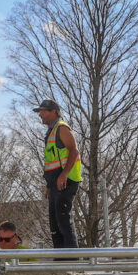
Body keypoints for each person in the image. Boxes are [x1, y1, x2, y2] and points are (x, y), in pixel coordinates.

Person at [34, 99, 82, 249]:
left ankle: (72, 261)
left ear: (53, 112)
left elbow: (74, 151)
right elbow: (51, 163)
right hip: (56, 183)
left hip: (66, 180)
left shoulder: (61, 128)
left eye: (43, 111)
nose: (40, 115)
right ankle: (61, 260)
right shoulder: (51, 132)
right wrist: (49, 185)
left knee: (64, 221)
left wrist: (64, 175)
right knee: (55, 223)